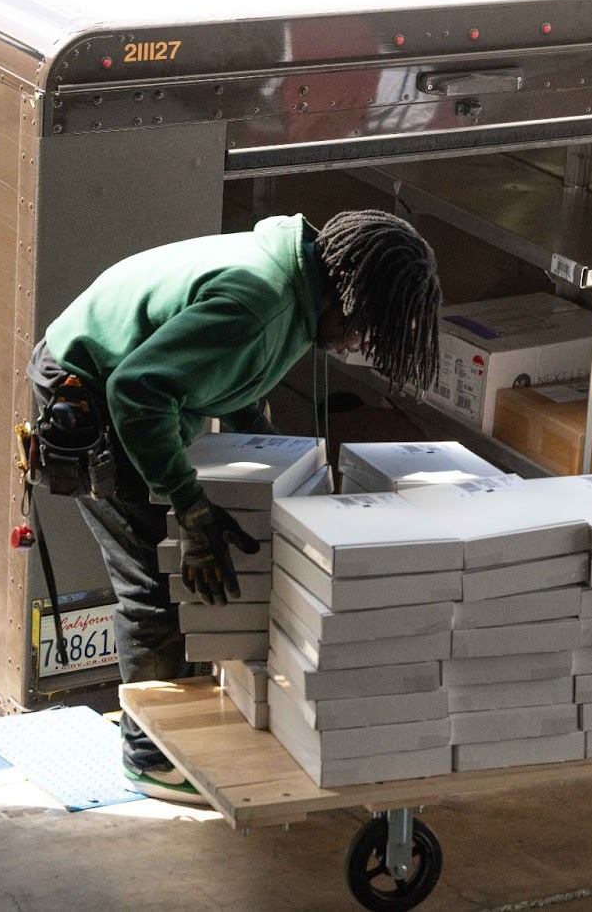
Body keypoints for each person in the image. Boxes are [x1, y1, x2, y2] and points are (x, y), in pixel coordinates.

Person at [26, 209, 441, 803]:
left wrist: (272, 454)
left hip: (138, 385)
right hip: (89, 390)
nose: (358, 344)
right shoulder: (261, 305)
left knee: (190, 566)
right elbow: (137, 392)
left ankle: (178, 719)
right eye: (364, 328)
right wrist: (191, 510)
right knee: (155, 581)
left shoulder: (301, 289)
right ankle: (149, 753)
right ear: (346, 295)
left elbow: (232, 378)